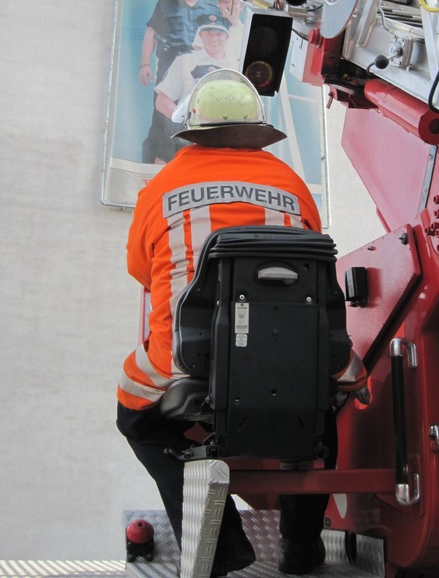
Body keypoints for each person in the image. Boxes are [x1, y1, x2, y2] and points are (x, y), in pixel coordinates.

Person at [117, 69, 368, 575]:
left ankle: (223, 541)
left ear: (191, 128)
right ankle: (301, 546)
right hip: (294, 360)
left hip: (190, 363)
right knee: (322, 413)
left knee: (135, 421)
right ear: (256, 130)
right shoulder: (293, 186)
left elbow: (141, 272)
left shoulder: (160, 188)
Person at [140, 0, 215, 164]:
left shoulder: (211, 10)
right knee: (162, 122)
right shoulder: (165, 3)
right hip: (167, 73)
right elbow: (151, 33)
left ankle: (188, 166)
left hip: (196, 76)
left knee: (196, 122)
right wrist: (145, 64)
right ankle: (157, 169)